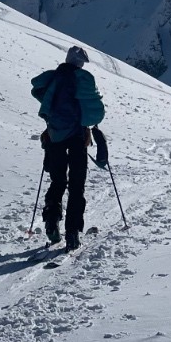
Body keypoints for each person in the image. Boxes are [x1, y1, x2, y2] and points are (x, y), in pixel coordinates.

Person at [30, 46, 106, 250]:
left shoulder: (54, 77)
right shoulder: (83, 79)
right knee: (76, 185)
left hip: (54, 136)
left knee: (58, 181)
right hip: (77, 138)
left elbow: (38, 88)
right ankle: (72, 233)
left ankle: (51, 222)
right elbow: (95, 110)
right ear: (80, 63)